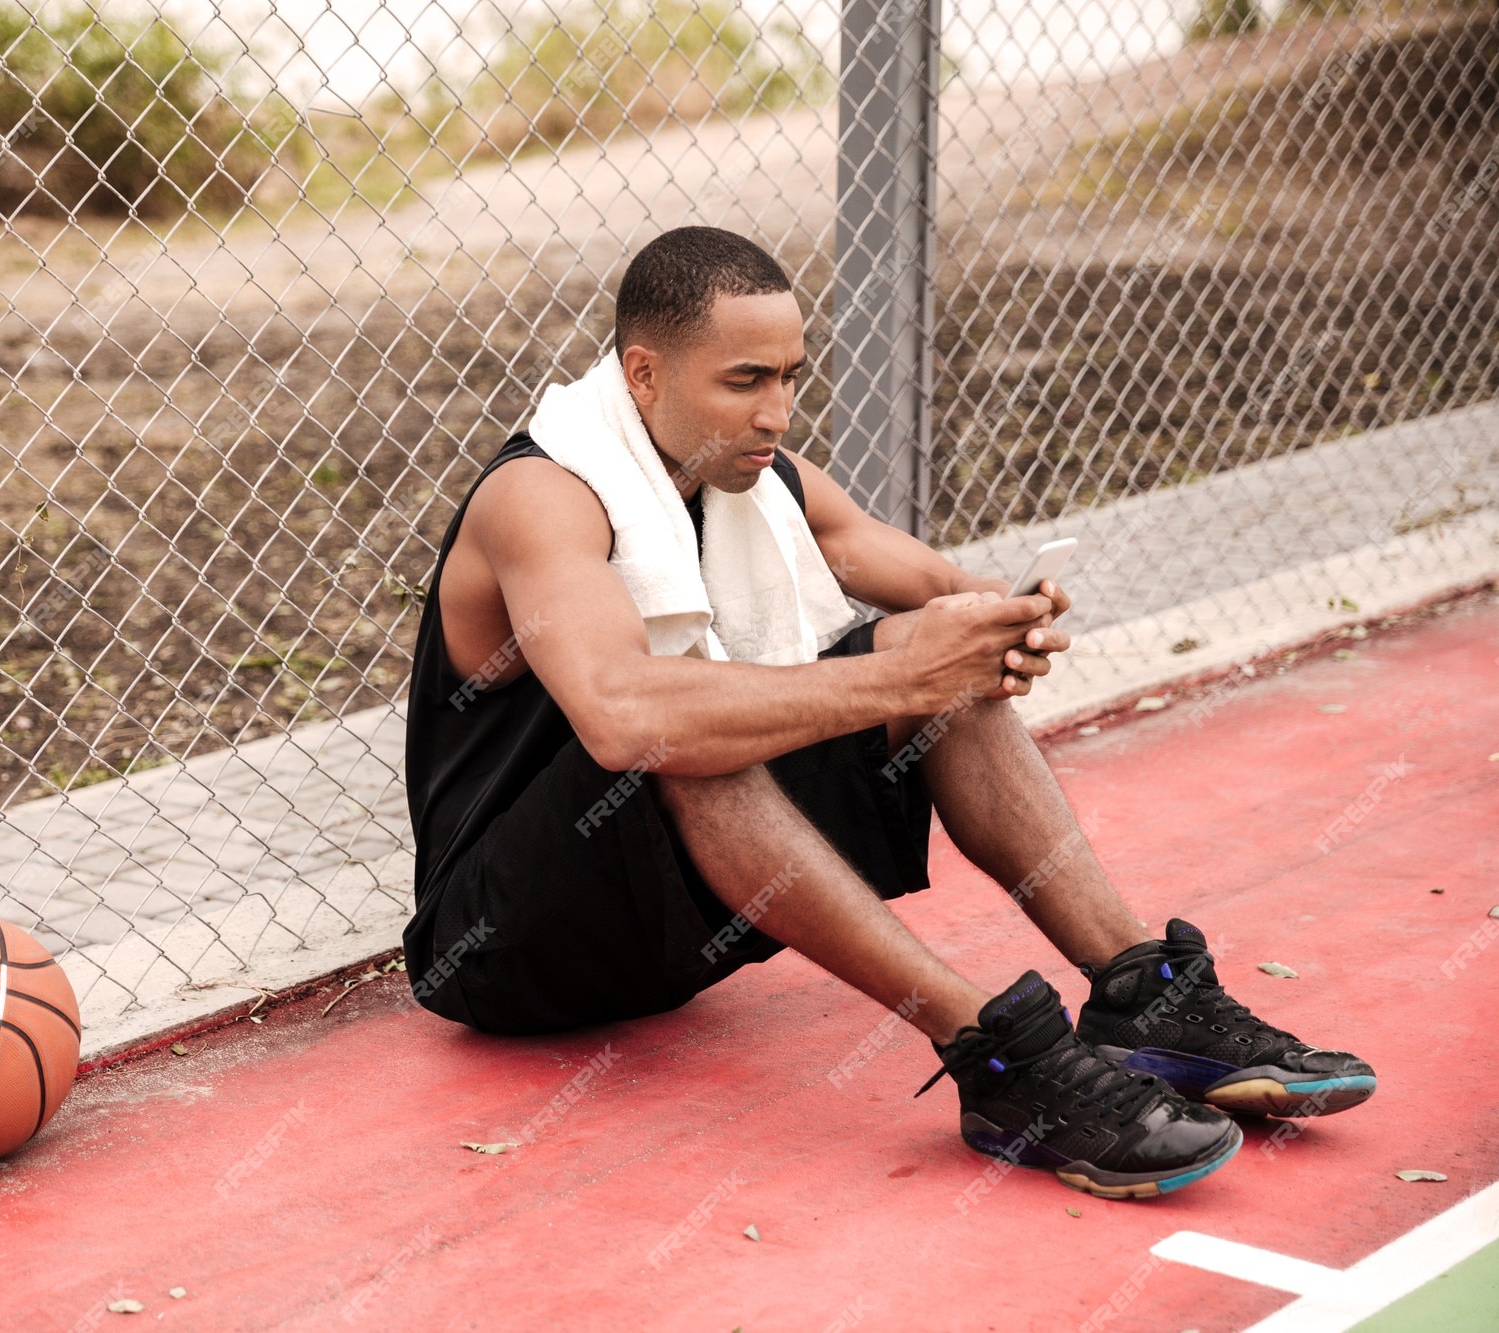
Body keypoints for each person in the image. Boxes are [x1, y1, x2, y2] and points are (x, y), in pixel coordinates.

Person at [400, 225, 1375, 1199]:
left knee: (941, 650)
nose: (776, 411)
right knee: (688, 728)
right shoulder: (541, 494)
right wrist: (911, 676)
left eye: (789, 376)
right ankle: (992, 1055)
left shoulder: (758, 481)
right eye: (743, 381)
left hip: (669, 932)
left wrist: (990, 612)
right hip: (502, 948)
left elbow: (896, 566)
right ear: (643, 374)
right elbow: (620, 715)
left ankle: (1138, 992)